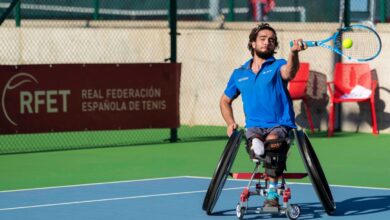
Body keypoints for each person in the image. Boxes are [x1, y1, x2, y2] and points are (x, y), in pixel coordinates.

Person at [219, 23, 306, 207]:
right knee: (257, 147)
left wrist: (294, 53)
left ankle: (272, 193)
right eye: (263, 39)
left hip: (279, 124)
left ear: (275, 46)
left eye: (272, 40)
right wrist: (230, 123)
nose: (267, 42)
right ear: (252, 43)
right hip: (254, 126)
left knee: (273, 145)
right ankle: (259, 150)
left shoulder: (278, 65)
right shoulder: (239, 73)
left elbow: (289, 72)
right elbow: (225, 101)